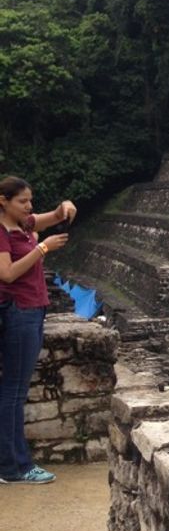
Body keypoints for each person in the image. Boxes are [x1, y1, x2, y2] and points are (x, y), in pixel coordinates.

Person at [0, 176, 76, 485]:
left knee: (15, 392)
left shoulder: (24, 224)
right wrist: (43, 248)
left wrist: (64, 209)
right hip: (20, 312)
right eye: (22, 201)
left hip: (32, 310)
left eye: (31, 200)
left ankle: (14, 464)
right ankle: (13, 466)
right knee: (13, 392)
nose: (29, 206)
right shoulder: (3, 232)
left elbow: (55, 216)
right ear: (3, 201)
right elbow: (7, 274)